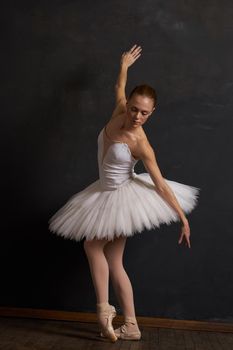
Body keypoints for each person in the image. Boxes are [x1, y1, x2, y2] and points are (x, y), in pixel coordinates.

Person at [48, 44, 200, 342]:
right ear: (127, 103)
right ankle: (131, 325)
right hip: (102, 192)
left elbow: (160, 184)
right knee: (114, 261)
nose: (137, 116)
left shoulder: (141, 143)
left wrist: (182, 217)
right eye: (134, 109)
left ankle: (104, 309)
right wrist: (124, 65)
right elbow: (119, 85)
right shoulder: (119, 109)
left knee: (92, 247)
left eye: (145, 113)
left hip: (121, 197)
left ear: (152, 112)